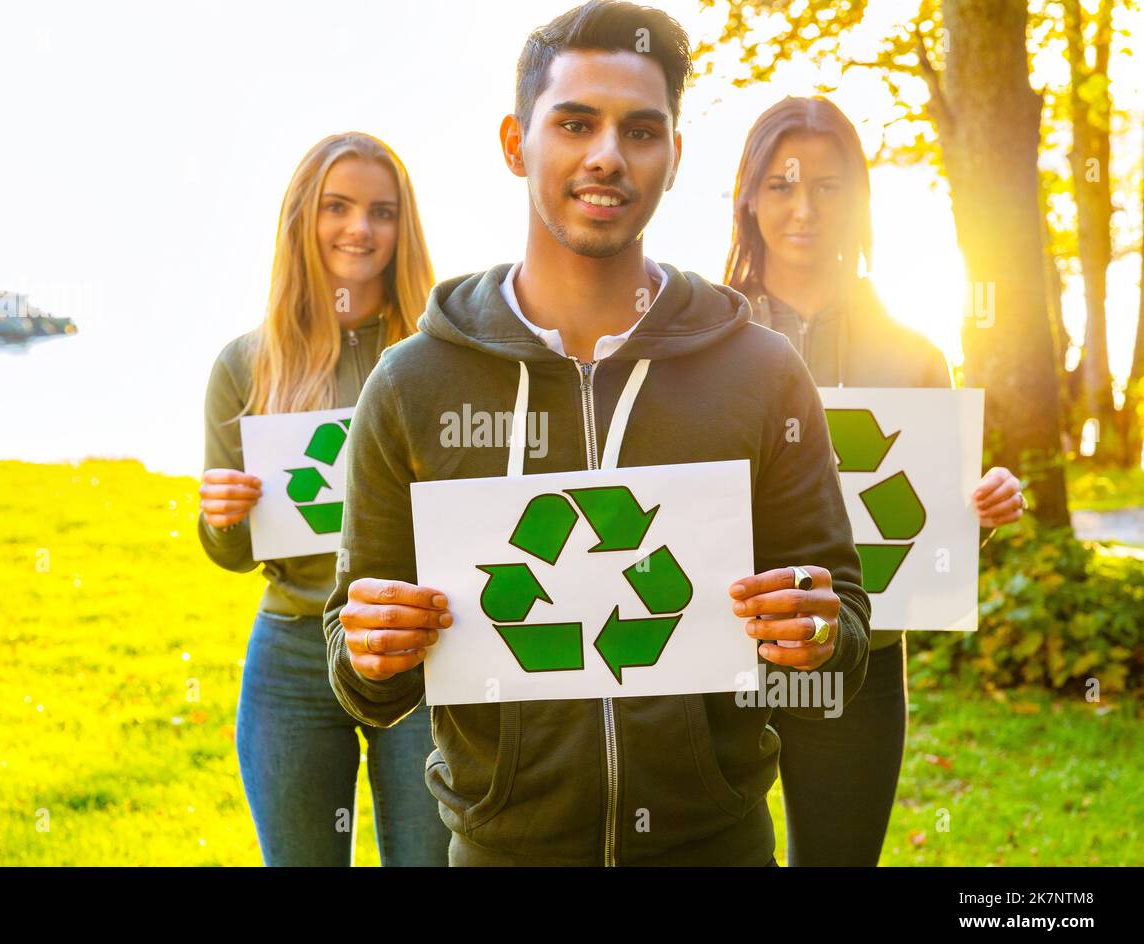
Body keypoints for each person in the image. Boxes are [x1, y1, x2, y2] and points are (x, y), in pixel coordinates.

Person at [324, 1, 871, 867]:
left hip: (717, 846)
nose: (608, 155)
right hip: (501, 850)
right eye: (575, 123)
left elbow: (844, 620)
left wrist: (819, 628)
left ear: (675, 157)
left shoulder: (763, 372)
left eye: (642, 130)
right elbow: (360, 679)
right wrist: (370, 650)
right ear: (516, 143)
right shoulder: (412, 384)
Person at [724, 95, 1027, 866]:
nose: (804, 208)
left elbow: (930, 532)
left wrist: (978, 510)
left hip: (854, 666)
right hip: (712, 653)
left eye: (828, 186)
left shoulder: (915, 355)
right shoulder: (697, 338)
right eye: (784, 184)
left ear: (859, 201)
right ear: (750, 197)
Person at [197, 131, 449, 866]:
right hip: (292, 654)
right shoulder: (247, 364)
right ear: (302, 219)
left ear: (405, 227)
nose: (359, 229)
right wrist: (221, 519)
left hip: (417, 648)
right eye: (337, 207)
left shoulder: (438, 356)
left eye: (382, 210)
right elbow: (235, 555)